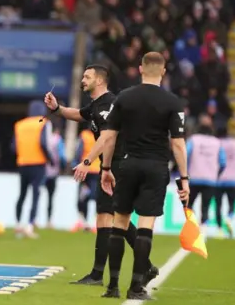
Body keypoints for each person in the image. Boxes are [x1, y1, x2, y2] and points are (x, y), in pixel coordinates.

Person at [81, 52, 189, 300]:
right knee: (145, 226)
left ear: (140, 69)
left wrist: (106, 169)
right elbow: (178, 144)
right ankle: (136, 287)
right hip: (156, 166)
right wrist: (184, 179)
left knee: (119, 224)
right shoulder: (173, 103)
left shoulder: (124, 98)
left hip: (128, 165)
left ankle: (112, 286)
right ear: (163, 72)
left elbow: (108, 136)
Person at [44, 65, 158, 287]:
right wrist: (57, 108)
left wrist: (87, 162)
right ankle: (144, 266)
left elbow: (106, 136)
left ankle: (99, 274)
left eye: (87, 76)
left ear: (99, 81)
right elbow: (78, 114)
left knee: (109, 218)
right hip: (118, 164)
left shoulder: (108, 104)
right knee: (113, 218)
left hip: (119, 165)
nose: (83, 79)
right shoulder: (98, 104)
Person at [11, 101, 55, 238]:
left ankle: (18, 224)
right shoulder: (44, 123)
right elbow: (43, 143)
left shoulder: (20, 125)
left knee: (22, 194)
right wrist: (50, 159)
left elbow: (13, 146)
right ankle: (30, 225)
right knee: (35, 194)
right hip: (38, 163)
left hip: (23, 163)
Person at [186, 117, 226, 232]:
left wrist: (186, 171)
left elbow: (186, 155)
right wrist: (216, 174)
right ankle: (203, 230)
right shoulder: (217, 142)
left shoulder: (193, 140)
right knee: (205, 207)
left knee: (189, 205)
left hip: (194, 178)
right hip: (210, 180)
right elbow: (223, 162)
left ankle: (190, 228)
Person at [73, 125, 100, 232]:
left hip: (86, 171)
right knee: (95, 197)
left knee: (83, 196)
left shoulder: (84, 135)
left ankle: (84, 222)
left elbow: (78, 153)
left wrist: (76, 165)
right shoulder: (102, 136)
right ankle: (93, 223)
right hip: (97, 171)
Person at [214, 127, 235, 238]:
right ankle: (229, 218)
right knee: (231, 202)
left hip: (218, 179)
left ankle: (220, 229)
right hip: (232, 179)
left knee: (218, 205)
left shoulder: (216, 143)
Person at [44, 124, 66, 229]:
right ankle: (48, 220)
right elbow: (62, 156)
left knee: (37, 195)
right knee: (50, 197)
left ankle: (33, 220)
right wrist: (63, 167)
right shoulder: (58, 140)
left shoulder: (44, 138)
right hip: (53, 173)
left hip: (42, 171)